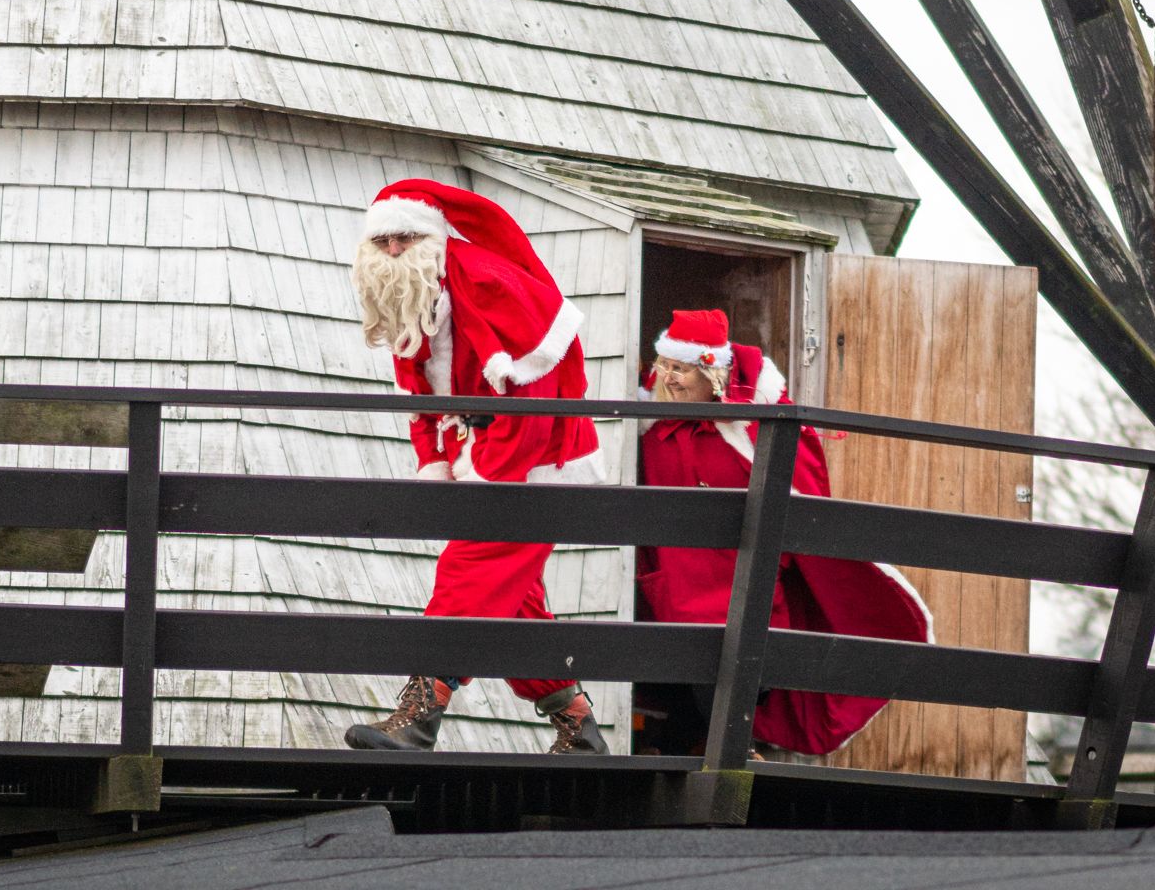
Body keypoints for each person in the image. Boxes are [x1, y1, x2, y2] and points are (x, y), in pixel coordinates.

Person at [345, 178, 610, 755]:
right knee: (514, 603)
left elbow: (534, 400)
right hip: (485, 461)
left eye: (406, 237)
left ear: (434, 236)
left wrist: (491, 473)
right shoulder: (415, 297)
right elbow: (423, 399)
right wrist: (436, 463)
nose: (393, 251)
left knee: (467, 574)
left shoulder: (490, 283)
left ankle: (419, 715)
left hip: (534, 464)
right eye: (382, 240)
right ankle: (578, 725)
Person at [639, 308, 931, 756]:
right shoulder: (653, 424)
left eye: (682, 369)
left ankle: (734, 746)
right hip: (679, 570)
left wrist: (791, 552)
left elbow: (799, 485)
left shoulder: (749, 426)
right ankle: (714, 747)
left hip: (741, 569)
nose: (671, 378)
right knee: (689, 660)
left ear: (711, 372)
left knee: (751, 658)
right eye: (667, 367)